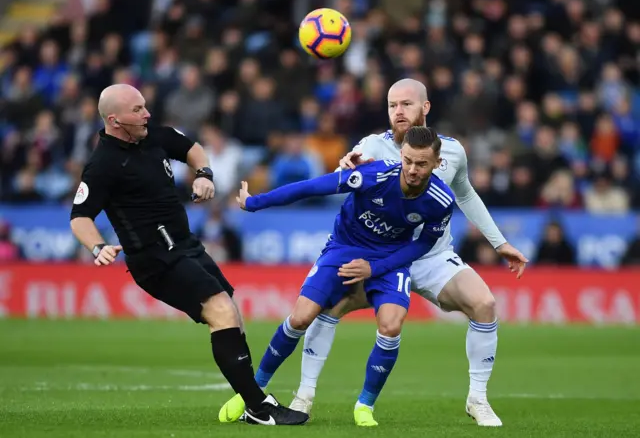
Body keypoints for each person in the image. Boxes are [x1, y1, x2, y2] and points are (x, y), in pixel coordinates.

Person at [288, 79, 529, 427]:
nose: (398, 112)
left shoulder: (453, 151)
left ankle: (478, 399)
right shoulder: (372, 145)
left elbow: (466, 195)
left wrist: (499, 242)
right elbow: (343, 176)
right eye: (391, 106)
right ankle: (304, 396)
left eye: (406, 104)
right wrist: (345, 165)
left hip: (431, 256)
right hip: (379, 257)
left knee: (485, 304)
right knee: (327, 308)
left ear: (425, 108)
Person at [69, 83, 308, 426]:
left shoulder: (155, 136)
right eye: (137, 110)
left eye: (145, 106)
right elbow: (79, 217)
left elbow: (195, 149)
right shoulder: (103, 164)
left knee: (231, 315)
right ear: (114, 120)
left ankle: (254, 402)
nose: (146, 114)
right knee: (220, 310)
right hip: (154, 258)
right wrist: (97, 246)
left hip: (185, 244)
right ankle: (259, 407)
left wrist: (204, 175)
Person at [219, 126, 454, 426]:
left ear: (437, 163)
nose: (411, 169)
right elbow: (312, 187)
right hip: (344, 248)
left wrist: (375, 269)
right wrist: (254, 203)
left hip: (389, 260)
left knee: (392, 325)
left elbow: (423, 243)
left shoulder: (441, 199)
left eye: (421, 163)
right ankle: (253, 390)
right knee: (301, 318)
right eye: (407, 160)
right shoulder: (374, 176)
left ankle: (364, 406)